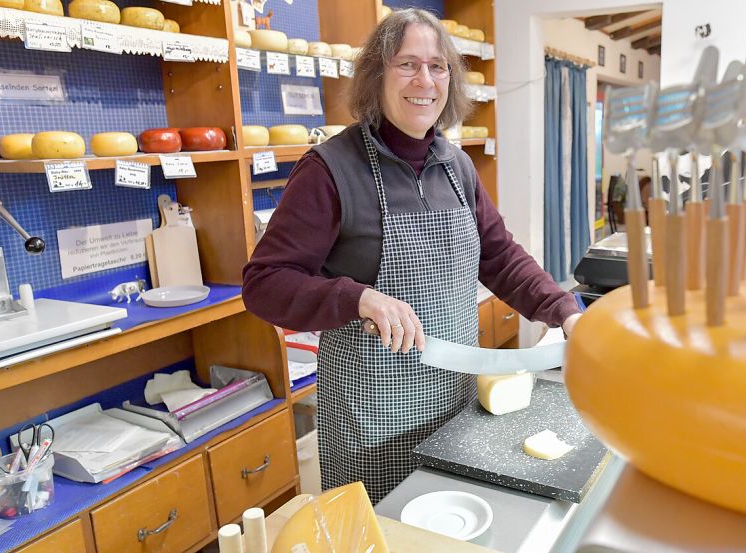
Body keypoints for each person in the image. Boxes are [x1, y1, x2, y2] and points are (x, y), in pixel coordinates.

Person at [242, 8, 582, 502]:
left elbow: (500, 257)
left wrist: (565, 310)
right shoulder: (330, 170)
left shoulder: (455, 165)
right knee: (387, 528)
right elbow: (264, 284)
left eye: (437, 66)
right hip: (372, 419)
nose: (425, 80)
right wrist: (357, 297)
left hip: (454, 398)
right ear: (376, 76)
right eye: (407, 64)